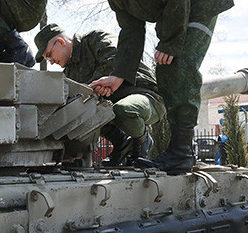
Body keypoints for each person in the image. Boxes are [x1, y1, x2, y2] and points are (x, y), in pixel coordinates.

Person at [49, 0, 234, 174]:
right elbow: (131, 27)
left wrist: (170, 41)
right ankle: (178, 152)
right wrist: (120, 75)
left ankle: (181, 152)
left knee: (176, 64)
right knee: (168, 64)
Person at [35, 23, 166, 166]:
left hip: (147, 96)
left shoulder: (95, 39)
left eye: (49, 55)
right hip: (115, 106)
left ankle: (141, 142)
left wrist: (93, 86)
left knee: (124, 110)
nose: (52, 62)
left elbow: (117, 58)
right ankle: (122, 144)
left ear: (60, 42)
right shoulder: (69, 73)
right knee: (81, 114)